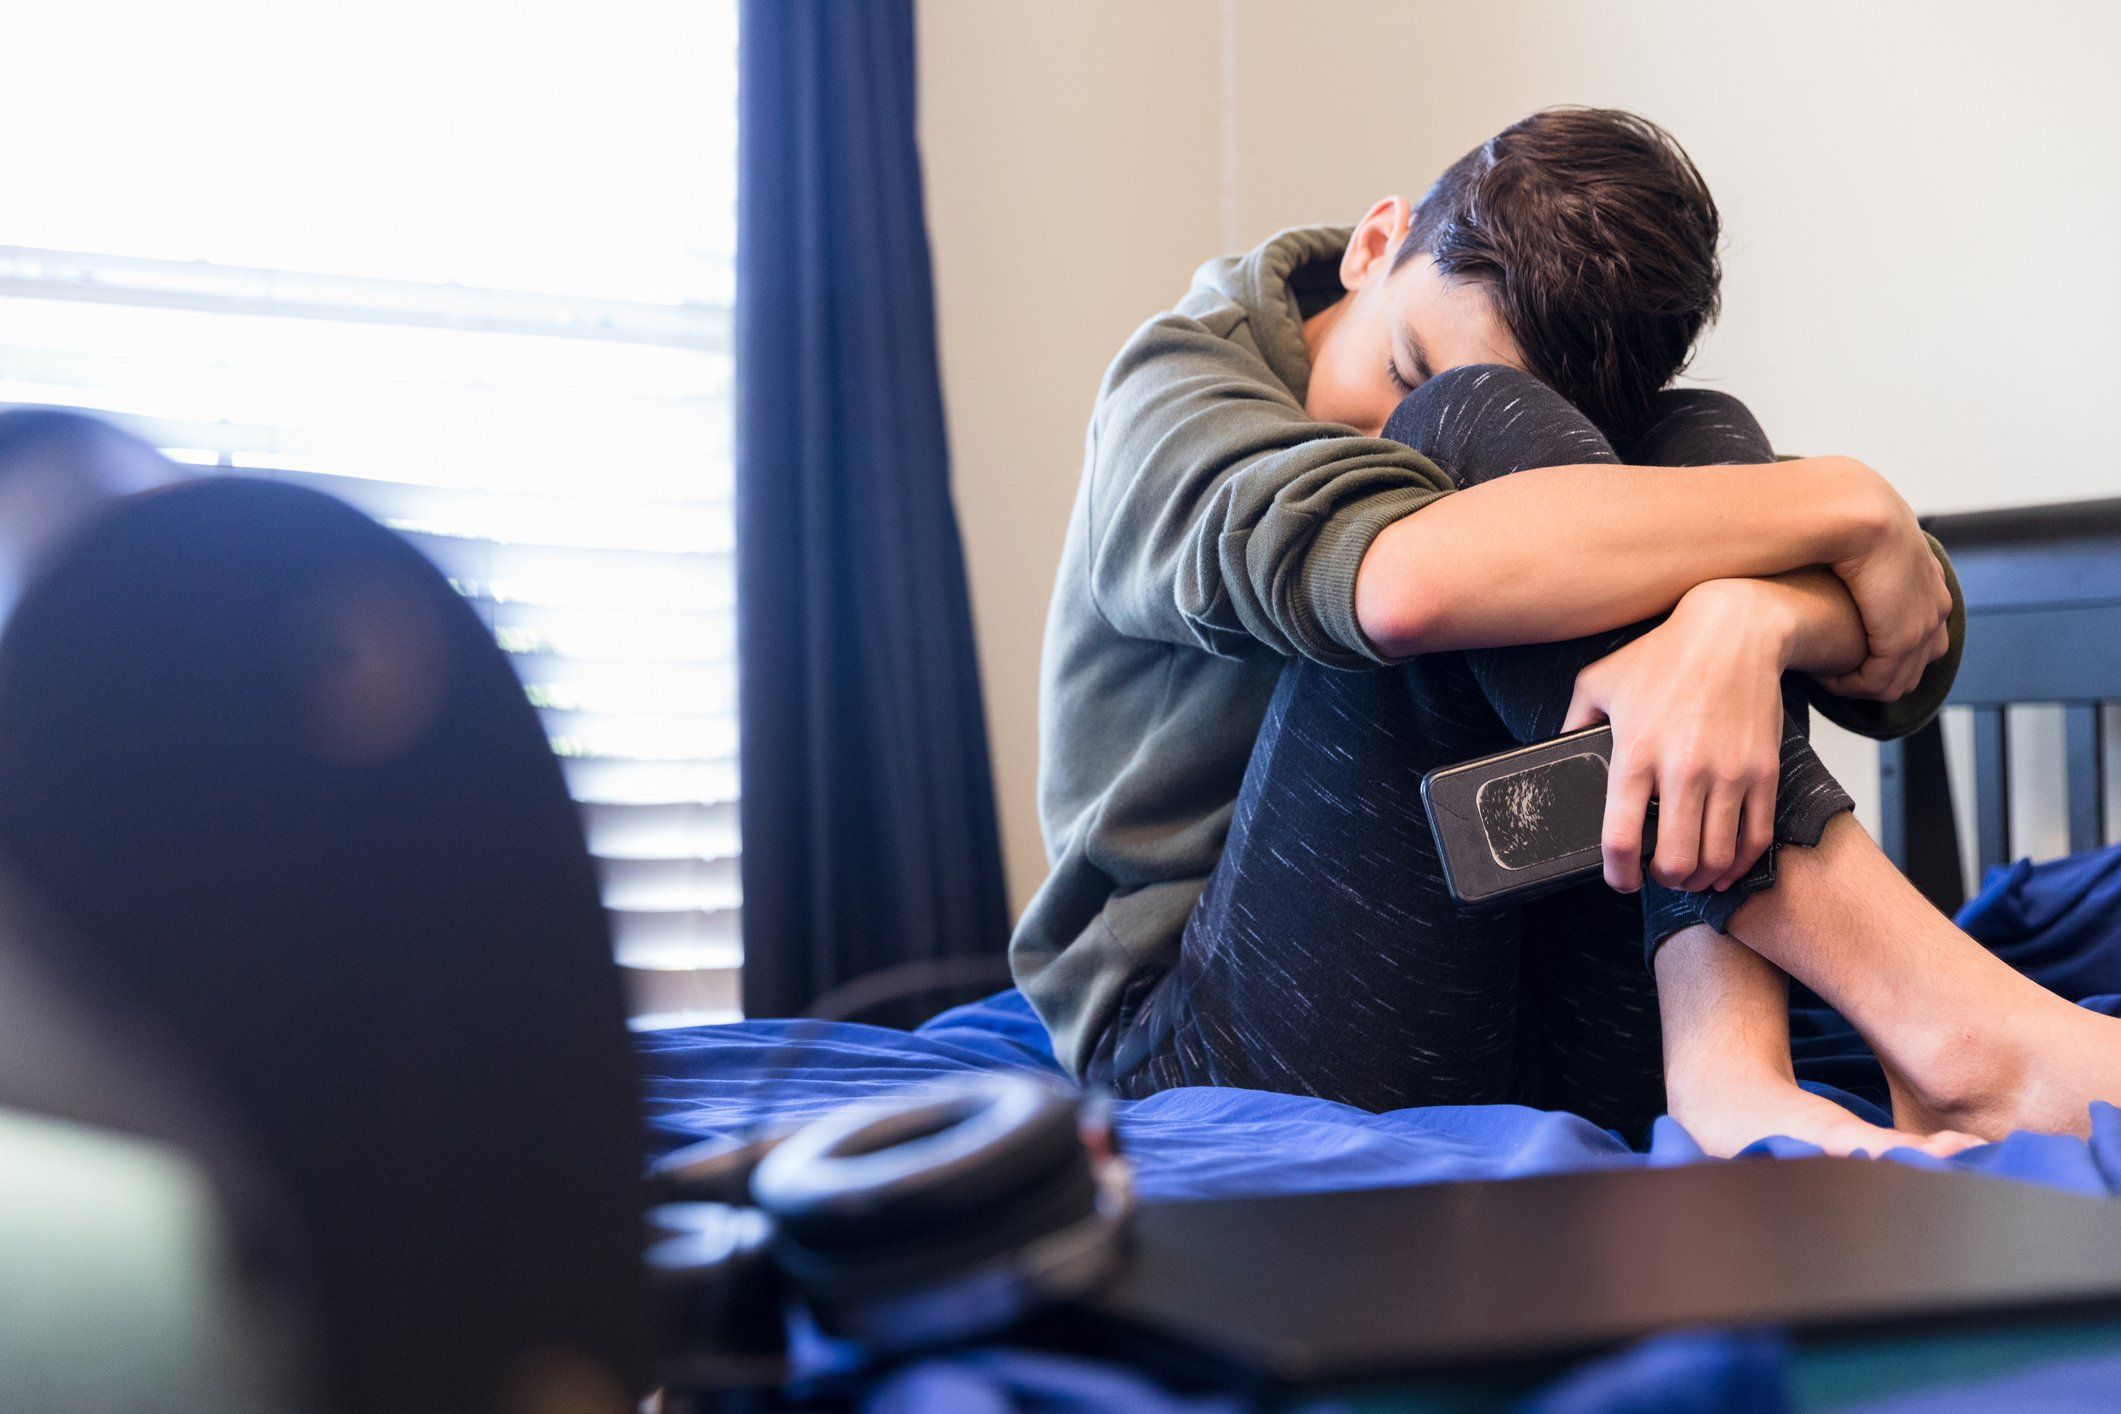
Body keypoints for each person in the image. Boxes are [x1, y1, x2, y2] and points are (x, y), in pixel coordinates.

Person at [1012, 107, 2121, 1155]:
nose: (1395, 412)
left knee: (1699, 431)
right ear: (1376, 243)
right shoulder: (1176, 390)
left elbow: (1908, 632)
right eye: (1402, 361)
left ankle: (1728, 1063)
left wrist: (1745, 618)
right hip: (1212, 1031)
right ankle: (1948, 1016)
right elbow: (1401, 586)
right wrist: (1848, 502)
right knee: (1458, 440)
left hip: (1540, 994)